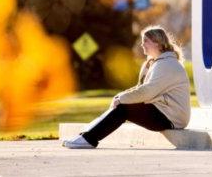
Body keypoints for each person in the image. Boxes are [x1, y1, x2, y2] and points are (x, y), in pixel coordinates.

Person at [63, 26, 191, 149]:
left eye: (145, 41)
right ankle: (85, 135)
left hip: (171, 117)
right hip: (163, 111)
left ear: (157, 43)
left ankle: (88, 139)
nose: (142, 45)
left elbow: (147, 92)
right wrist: (119, 96)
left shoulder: (167, 64)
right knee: (122, 105)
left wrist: (122, 99)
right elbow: (140, 88)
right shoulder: (156, 63)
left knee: (124, 108)